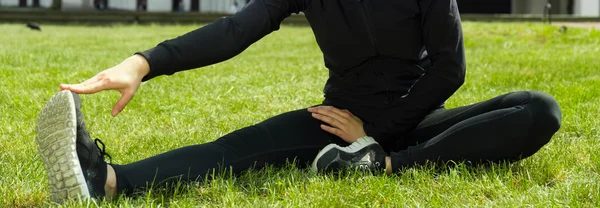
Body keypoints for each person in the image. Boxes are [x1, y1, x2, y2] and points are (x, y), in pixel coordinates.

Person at [35, 0, 562, 203]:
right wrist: (143, 63)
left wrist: (376, 143)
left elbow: (450, 68)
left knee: (538, 109)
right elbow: (238, 28)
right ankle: (105, 181)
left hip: (419, 118)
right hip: (338, 119)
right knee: (237, 149)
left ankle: (386, 167)